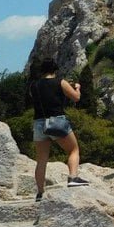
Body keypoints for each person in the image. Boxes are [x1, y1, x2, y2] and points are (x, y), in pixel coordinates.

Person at [30, 58, 88, 198]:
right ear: (55, 69)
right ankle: (73, 178)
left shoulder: (34, 85)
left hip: (39, 123)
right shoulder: (60, 82)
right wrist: (77, 88)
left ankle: (40, 192)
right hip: (56, 121)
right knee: (73, 150)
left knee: (41, 160)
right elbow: (76, 98)